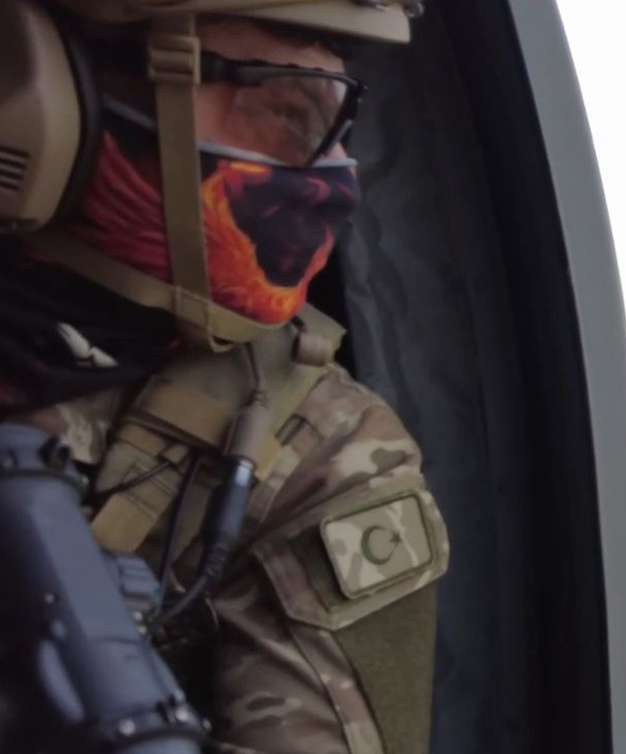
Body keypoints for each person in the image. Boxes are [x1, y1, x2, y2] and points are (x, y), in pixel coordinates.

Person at [0, 2, 449, 752]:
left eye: (339, 122)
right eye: (289, 112)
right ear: (41, 92)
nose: (336, 175)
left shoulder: (314, 451)